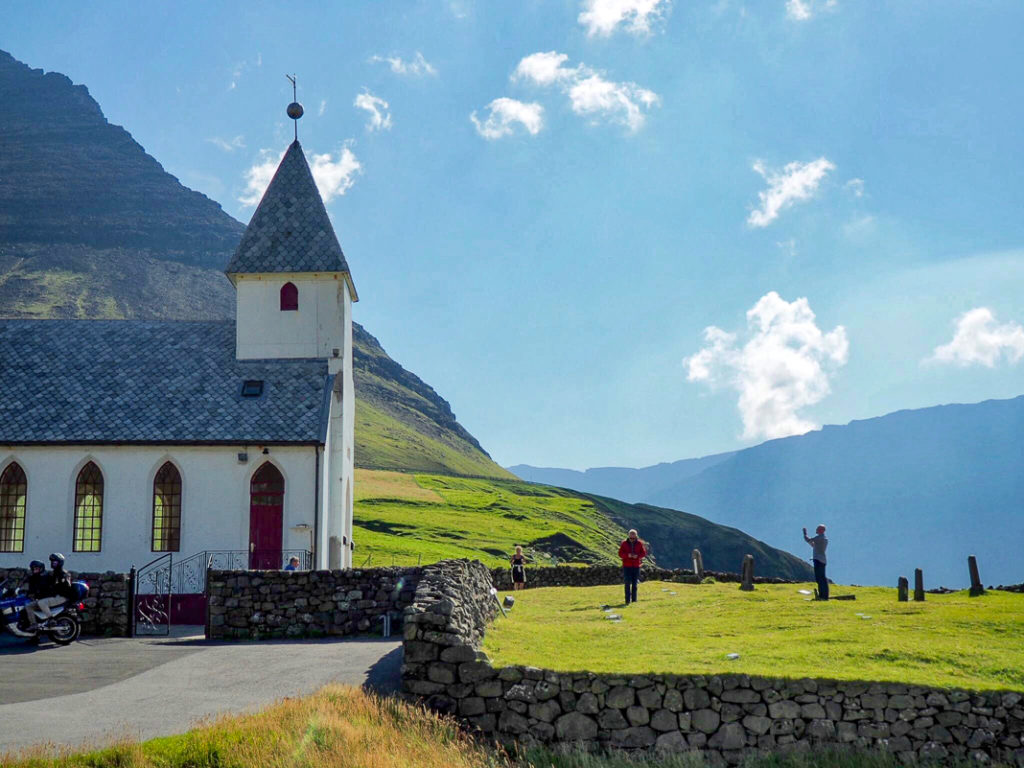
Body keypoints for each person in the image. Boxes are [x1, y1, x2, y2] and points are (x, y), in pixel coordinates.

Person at [26, 553, 73, 633]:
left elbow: (66, 586)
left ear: (60, 563)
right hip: (55, 596)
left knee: (42, 603)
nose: (53, 564)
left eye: (55, 562)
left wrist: (59, 585)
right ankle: (34, 624)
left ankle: (51, 620)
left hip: (62, 596)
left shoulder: (63, 573)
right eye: (52, 562)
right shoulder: (54, 573)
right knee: (29, 606)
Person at [618, 529, 647, 605]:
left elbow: (643, 553)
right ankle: (627, 601)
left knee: (634, 584)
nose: (632, 539)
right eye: (631, 537)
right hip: (627, 566)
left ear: (636, 536)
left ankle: (634, 600)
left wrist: (637, 556)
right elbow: (620, 554)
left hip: (636, 566)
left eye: (633, 537)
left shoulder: (640, 543)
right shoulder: (624, 543)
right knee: (627, 583)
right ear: (628, 536)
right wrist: (627, 555)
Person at [803, 525, 829, 600]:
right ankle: (824, 595)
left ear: (821, 530)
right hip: (822, 560)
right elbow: (814, 545)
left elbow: (808, 540)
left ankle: (822, 596)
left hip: (818, 560)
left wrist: (805, 533)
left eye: (817, 528)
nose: (816, 530)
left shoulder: (819, 537)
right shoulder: (823, 539)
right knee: (822, 578)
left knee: (820, 578)